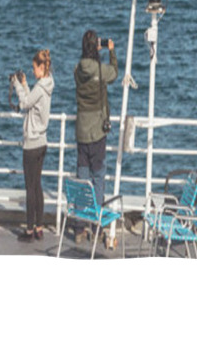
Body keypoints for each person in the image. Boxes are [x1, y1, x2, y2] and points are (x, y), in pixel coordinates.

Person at [73, 29, 118, 242]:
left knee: (82, 178)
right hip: (98, 131)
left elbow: (83, 70)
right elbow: (115, 73)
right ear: (96, 47)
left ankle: (79, 227)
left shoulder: (77, 70)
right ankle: (96, 224)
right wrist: (111, 52)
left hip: (81, 130)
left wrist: (92, 50)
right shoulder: (101, 69)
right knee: (98, 177)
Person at [12, 48, 54, 242]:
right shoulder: (47, 85)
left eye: (34, 67)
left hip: (31, 144)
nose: (32, 70)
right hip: (42, 142)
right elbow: (33, 102)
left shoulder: (40, 87)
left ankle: (29, 230)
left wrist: (17, 85)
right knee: (37, 186)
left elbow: (25, 103)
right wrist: (25, 85)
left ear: (42, 67)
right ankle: (39, 227)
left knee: (30, 188)